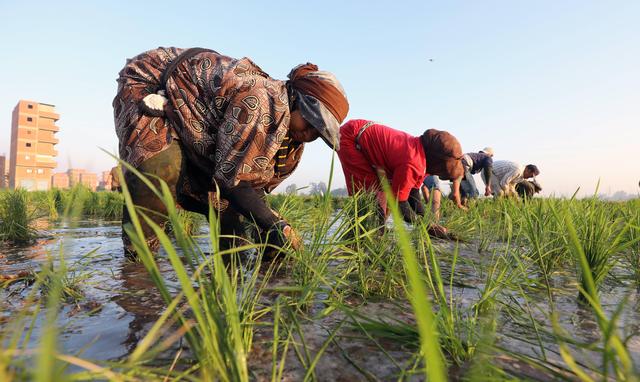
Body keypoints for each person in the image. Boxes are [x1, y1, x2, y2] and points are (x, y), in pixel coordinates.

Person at [113, 47, 349, 256]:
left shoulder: (289, 140)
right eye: (309, 123)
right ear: (296, 100)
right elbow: (232, 182)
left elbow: (249, 187)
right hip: (152, 81)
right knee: (159, 167)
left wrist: (271, 232)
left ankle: (231, 276)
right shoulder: (259, 101)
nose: (309, 134)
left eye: (318, 133)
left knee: (234, 234)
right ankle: (138, 269)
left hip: (202, 122)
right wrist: (276, 224)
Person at [337, 119, 464, 226]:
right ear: (437, 163)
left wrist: (428, 223)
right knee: (369, 195)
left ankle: (375, 233)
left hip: (364, 135)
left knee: (381, 198)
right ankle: (360, 239)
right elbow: (399, 204)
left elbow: (413, 195)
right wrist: (426, 227)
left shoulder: (423, 160)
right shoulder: (412, 162)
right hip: (351, 137)